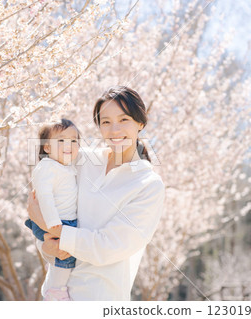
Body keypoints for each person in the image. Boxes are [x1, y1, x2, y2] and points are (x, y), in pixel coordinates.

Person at [27, 86, 165, 300]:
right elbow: (39, 204)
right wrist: (47, 245)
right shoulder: (81, 160)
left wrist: (51, 228)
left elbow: (107, 247)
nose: (114, 130)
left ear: (141, 123)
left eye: (124, 119)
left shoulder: (148, 185)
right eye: (106, 122)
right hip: (55, 295)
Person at [24, 118, 81, 300]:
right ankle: (54, 291)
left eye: (74, 140)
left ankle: (55, 281)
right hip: (56, 221)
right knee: (65, 257)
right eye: (61, 140)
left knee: (65, 257)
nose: (69, 145)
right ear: (47, 148)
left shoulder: (65, 166)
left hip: (65, 220)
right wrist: (53, 222)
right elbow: (45, 195)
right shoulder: (47, 166)